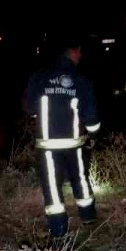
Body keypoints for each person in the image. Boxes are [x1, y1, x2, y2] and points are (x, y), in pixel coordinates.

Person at [22, 32, 101, 239]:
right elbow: (91, 115)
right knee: (80, 178)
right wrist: (93, 135)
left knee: (51, 184)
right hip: (74, 144)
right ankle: (88, 215)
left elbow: (28, 107)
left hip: (47, 145)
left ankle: (58, 229)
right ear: (73, 52)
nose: (81, 56)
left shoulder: (39, 77)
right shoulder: (81, 80)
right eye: (80, 51)